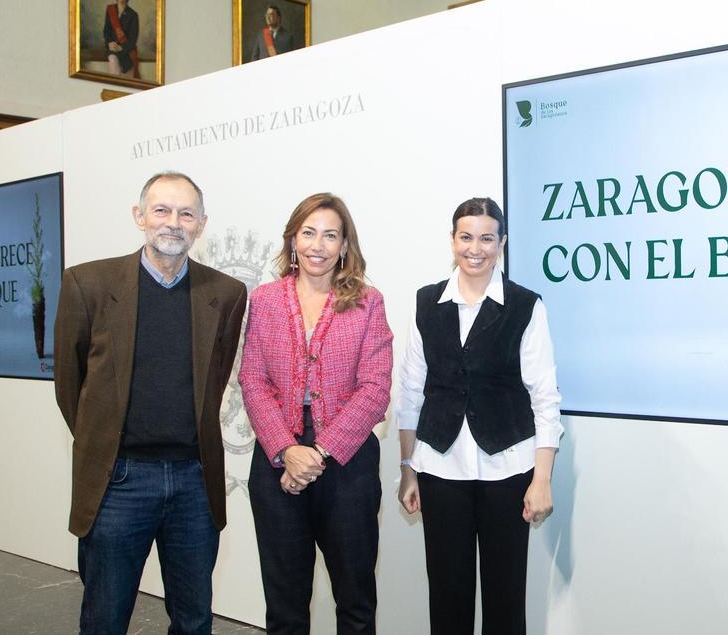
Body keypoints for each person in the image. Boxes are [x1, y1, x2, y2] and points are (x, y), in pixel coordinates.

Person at [53, 171, 248, 634]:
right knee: (105, 617)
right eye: (161, 210)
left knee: (195, 618)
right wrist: (103, 444)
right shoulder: (88, 284)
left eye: (186, 213)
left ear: (202, 224)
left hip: (194, 482)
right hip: (119, 481)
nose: (173, 223)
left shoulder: (226, 294)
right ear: (139, 216)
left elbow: (215, 380)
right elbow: (69, 383)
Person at [397, 197, 563, 635]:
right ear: (452, 241)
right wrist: (408, 468)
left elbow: (546, 399)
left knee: (505, 601)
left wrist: (541, 479)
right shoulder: (426, 303)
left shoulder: (527, 306)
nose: (476, 248)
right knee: (447, 600)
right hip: (438, 470)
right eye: (466, 237)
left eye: (487, 238)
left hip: (509, 472)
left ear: (501, 243)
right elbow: (412, 392)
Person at [239, 193, 392, 633]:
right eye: (308, 233)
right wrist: (287, 449)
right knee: (285, 603)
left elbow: (375, 389)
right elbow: (253, 379)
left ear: (345, 245)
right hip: (275, 457)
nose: (317, 245)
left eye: (330, 235)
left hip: (346, 461)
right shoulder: (265, 300)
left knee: (355, 600)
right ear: (292, 240)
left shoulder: (368, 301)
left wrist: (316, 453)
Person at [103, 0, 140, 77]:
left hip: (127, 50)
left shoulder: (133, 15)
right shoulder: (110, 9)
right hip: (112, 48)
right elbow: (106, 30)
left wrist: (122, 48)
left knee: (128, 75)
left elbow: (133, 38)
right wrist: (109, 43)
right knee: (113, 61)